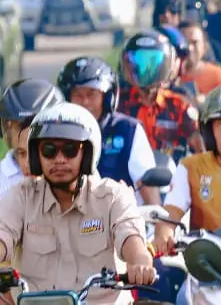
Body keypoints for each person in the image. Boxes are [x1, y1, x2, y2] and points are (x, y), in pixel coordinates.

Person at [0, 103, 157, 303]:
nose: (59, 159)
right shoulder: (21, 197)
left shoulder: (112, 196)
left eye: (70, 150)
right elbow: (3, 232)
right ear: (37, 156)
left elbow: (130, 236)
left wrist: (139, 262)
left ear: (87, 154)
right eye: (49, 150)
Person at [154, 85, 221, 255]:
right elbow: (170, 215)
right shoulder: (190, 168)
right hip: (204, 266)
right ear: (209, 129)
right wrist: (164, 236)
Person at [57, 57, 160, 205]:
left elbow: (147, 183)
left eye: (91, 94)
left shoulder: (128, 130)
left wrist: (157, 221)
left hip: (122, 219)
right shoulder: (57, 132)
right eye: (78, 95)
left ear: (107, 97)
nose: (85, 102)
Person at [117, 30, 202, 163]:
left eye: (153, 62)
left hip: (171, 177)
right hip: (124, 177)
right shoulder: (117, 103)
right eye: (139, 62)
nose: (146, 70)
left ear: (166, 64)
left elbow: (201, 149)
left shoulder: (179, 105)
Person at [0, 79, 64, 199]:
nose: (28, 163)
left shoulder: (72, 174)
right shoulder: (2, 179)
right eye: (21, 153)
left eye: (37, 152)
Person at [178, 21, 221, 102]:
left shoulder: (219, 76)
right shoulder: (166, 76)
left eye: (194, 43)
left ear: (205, 47)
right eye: (185, 42)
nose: (189, 48)